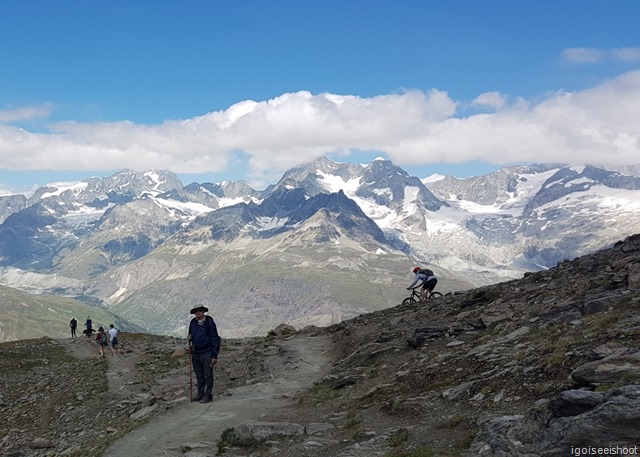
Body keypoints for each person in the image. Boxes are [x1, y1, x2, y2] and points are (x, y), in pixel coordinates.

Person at [187, 306, 221, 404]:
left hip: (207, 352)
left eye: (200, 311)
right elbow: (190, 335)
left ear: (203, 312)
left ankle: (208, 395)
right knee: (199, 375)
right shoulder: (193, 322)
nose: (198, 312)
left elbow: (215, 338)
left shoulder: (209, 322)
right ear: (194, 313)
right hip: (196, 352)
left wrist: (214, 356)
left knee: (208, 375)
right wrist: (189, 338)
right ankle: (200, 393)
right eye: (196, 311)